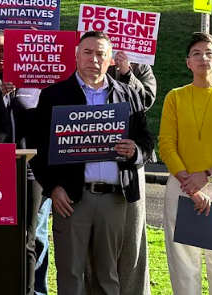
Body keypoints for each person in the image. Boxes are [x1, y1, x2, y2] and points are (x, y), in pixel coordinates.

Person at [31, 31, 154, 295]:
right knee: (70, 273)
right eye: (87, 52)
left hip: (114, 199)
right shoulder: (54, 96)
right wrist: (53, 188)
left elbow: (146, 141)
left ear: (110, 59)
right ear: (76, 55)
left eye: (101, 54)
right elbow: (39, 151)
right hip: (72, 200)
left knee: (108, 276)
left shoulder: (128, 94)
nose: (94, 59)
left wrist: (135, 152)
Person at [159, 32, 212, 295]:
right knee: (183, 265)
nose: (203, 58)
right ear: (188, 62)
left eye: (209, 53)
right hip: (182, 187)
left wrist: (207, 176)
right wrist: (190, 184)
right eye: (196, 54)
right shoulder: (175, 97)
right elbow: (166, 145)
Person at [85, 52, 158, 295]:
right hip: (90, 175)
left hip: (127, 171)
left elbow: (146, 101)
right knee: (94, 252)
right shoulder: (87, 62)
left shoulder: (141, 66)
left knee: (131, 248)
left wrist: (127, 73)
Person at [0, 29, 50, 295]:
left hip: (31, 175)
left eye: (3, 50)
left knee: (29, 239)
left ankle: (30, 291)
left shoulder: (35, 84)